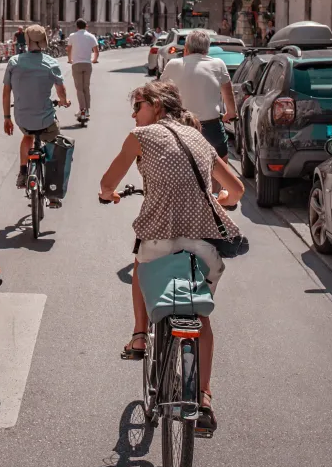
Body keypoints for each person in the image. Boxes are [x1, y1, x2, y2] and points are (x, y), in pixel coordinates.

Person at [98, 80, 244, 433]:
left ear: (156, 106)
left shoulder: (141, 137)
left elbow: (106, 183)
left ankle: (138, 335)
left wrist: (110, 196)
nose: (134, 116)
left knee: (140, 265)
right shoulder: (199, 138)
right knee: (199, 314)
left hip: (158, 241)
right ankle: (205, 397)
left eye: (138, 107)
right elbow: (236, 190)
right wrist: (217, 199)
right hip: (204, 246)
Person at [3, 25, 71, 204]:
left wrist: (7, 118)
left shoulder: (14, 62)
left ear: (26, 40)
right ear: (44, 41)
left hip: (22, 118)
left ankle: (23, 172)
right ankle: (53, 192)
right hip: (46, 119)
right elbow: (61, 90)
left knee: (28, 137)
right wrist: (64, 101)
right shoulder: (51, 63)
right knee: (54, 145)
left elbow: (6, 92)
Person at [161, 29, 236, 160]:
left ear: (186, 48)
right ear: (207, 49)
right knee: (221, 166)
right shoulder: (218, 64)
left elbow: (161, 93)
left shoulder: (173, 64)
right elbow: (228, 93)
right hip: (211, 127)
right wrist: (230, 113)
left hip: (181, 127)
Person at [67, 18, 99, 122]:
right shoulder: (91, 36)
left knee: (79, 89)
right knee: (86, 88)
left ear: (77, 26)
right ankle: (87, 110)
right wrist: (94, 60)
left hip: (76, 64)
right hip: (87, 64)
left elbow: (69, 49)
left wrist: (69, 59)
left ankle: (82, 110)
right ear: (86, 26)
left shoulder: (72, 36)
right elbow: (96, 51)